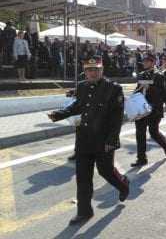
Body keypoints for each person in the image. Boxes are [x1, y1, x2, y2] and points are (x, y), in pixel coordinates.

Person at [48, 57, 129, 225]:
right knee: (83, 178)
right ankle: (84, 212)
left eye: (96, 69)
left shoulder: (113, 89)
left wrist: (112, 140)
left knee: (105, 171)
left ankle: (123, 185)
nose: (93, 73)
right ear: (85, 71)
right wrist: (60, 114)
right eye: (89, 70)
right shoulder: (82, 86)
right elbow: (77, 105)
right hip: (84, 139)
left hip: (104, 139)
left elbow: (117, 117)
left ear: (102, 70)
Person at [131, 54, 166, 167]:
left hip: (154, 109)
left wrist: (151, 88)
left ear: (153, 62)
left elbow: (164, 93)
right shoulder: (141, 75)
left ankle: (165, 145)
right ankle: (141, 158)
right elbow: (138, 89)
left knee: (153, 132)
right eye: (144, 61)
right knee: (140, 133)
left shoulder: (159, 75)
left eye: (147, 61)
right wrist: (132, 99)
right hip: (141, 108)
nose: (144, 63)